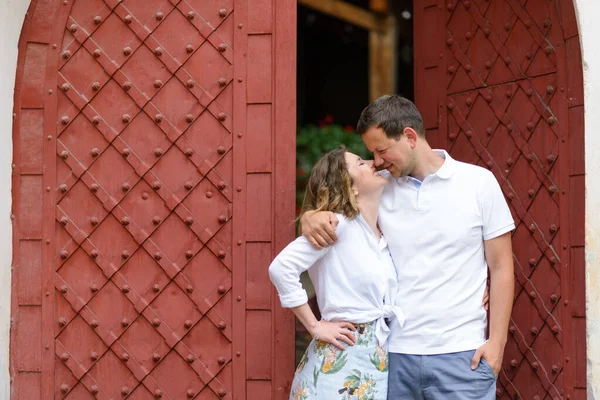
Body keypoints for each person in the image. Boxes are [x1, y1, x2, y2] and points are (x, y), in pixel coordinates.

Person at [301, 95, 515, 399]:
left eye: (381, 150)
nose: (376, 161)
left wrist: (497, 344)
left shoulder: (479, 183)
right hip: (394, 357)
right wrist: (310, 218)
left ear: (410, 137)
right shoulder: (378, 189)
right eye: (371, 153)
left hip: (462, 354)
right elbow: (333, 212)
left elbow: (502, 266)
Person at [269, 146, 404, 399]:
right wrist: (316, 327)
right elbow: (281, 267)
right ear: (350, 187)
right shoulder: (337, 226)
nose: (372, 162)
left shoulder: (383, 232)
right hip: (340, 362)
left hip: (377, 363)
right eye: (361, 164)